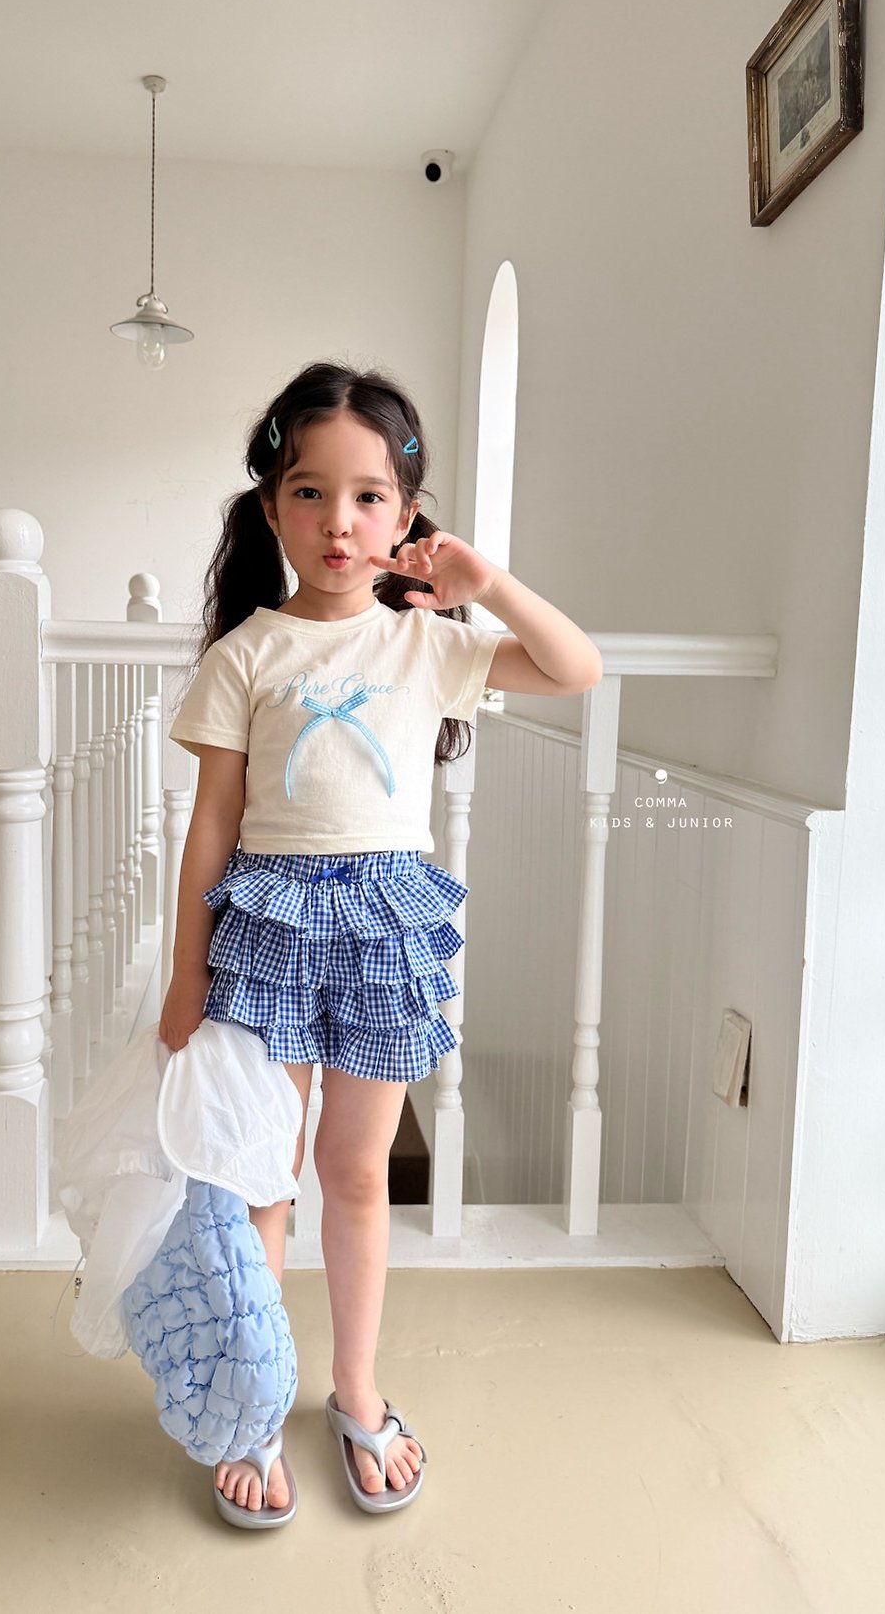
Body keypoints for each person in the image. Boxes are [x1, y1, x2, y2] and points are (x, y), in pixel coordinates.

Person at [158, 359, 602, 1522]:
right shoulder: (245, 653)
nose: (337, 522)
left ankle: (354, 1388)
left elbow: (575, 666)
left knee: (356, 1173)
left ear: (405, 515)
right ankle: (256, 1402)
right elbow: (210, 824)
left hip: (384, 932)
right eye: (309, 492)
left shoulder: (427, 647)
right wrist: (184, 971)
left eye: (367, 497)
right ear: (271, 508)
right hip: (265, 925)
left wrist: (481, 582)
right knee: (259, 1176)